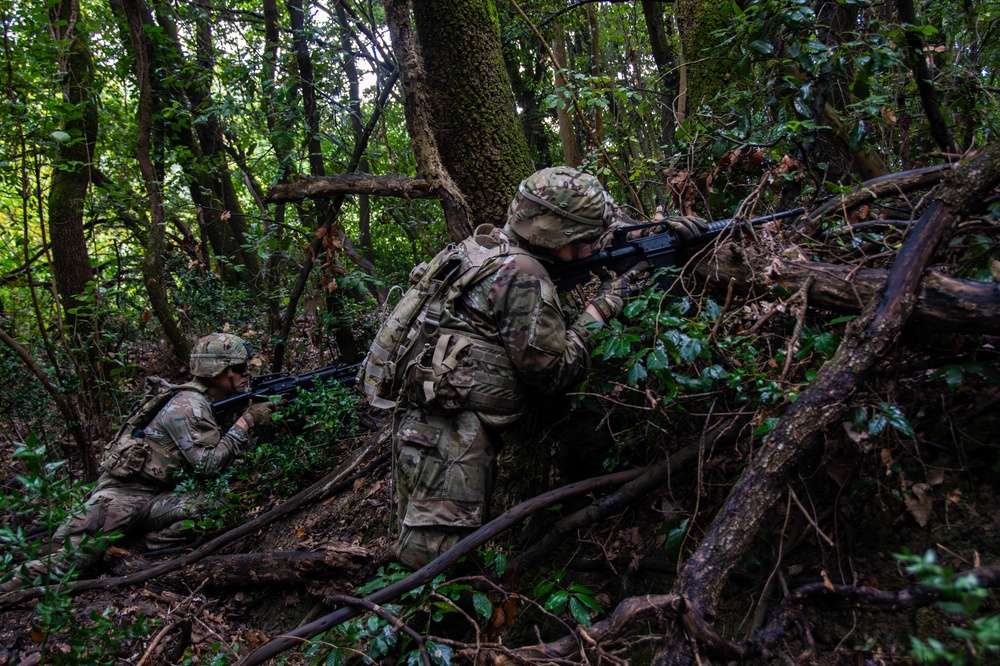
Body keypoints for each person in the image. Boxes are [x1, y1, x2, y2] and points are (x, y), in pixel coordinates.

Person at [372, 166, 649, 570]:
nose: (592, 246)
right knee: (436, 570)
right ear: (556, 232)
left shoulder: (483, 248)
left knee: (430, 555)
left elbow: (604, 228)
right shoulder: (522, 273)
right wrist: (603, 307)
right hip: (450, 443)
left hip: (429, 432)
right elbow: (552, 373)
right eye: (584, 238)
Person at [1, 333, 279, 592]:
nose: (247, 373)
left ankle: (132, 544)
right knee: (72, 558)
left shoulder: (206, 400)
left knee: (216, 507)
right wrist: (247, 421)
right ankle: (7, 584)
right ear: (222, 372)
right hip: (124, 493)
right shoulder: (188, 406)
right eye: (242, 367)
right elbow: (207, 465)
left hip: (154, 495)